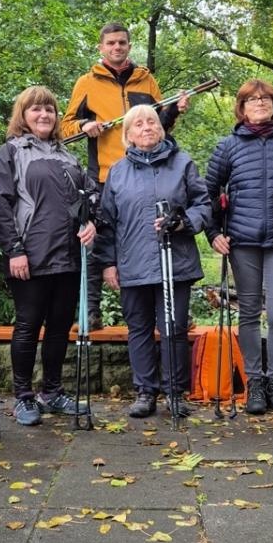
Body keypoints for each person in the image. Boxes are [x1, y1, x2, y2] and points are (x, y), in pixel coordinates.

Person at [60, 22, 189, 329]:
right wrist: (84, 126)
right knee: (96, 240)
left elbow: (158, 125)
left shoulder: (146, 79)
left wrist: (174, 110)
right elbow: (64, 128)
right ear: (101, 48)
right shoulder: (87, 82)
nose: (117, 47)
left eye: (122, 42)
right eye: (111, 43)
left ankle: (166, 312)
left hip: (148, 174)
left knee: (154, 238)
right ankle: (90, 312)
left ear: (129, 45)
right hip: (105, 175)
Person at [0, 87, 98, 426]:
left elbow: (88, 197)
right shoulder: (10, 152)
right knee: (28, 325)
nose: (44, 115)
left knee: (59, 327)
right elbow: (0, 205)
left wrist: (91, 223)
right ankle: (23, 397)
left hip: (69, 255)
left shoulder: (68, 156)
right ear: (22, 115)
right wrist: (14, 250)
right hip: (30, 255)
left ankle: (52, 392)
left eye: (49, 109)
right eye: (36, 109)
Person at [206, 80, 273, 416]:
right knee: (250, 312)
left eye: (265, 98)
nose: (260, 102)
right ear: (241, 107)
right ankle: (255, 381)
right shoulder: (228, 146)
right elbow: (207, 193)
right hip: (243, 241)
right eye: (252, 99)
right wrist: (213, 233)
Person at [96, 105, 211, 418]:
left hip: (176, 263)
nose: (146, 127)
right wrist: (108, 263)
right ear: (128, 135)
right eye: (138, 124)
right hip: (132, 263)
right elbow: (107, 222)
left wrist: (183, 222)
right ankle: (145, 392)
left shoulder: (182, 163)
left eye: (151, 122)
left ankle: (175, 392)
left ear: (161, 129)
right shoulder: (118, 172)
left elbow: (203, 205)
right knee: (139, 328)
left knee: (174, 328)